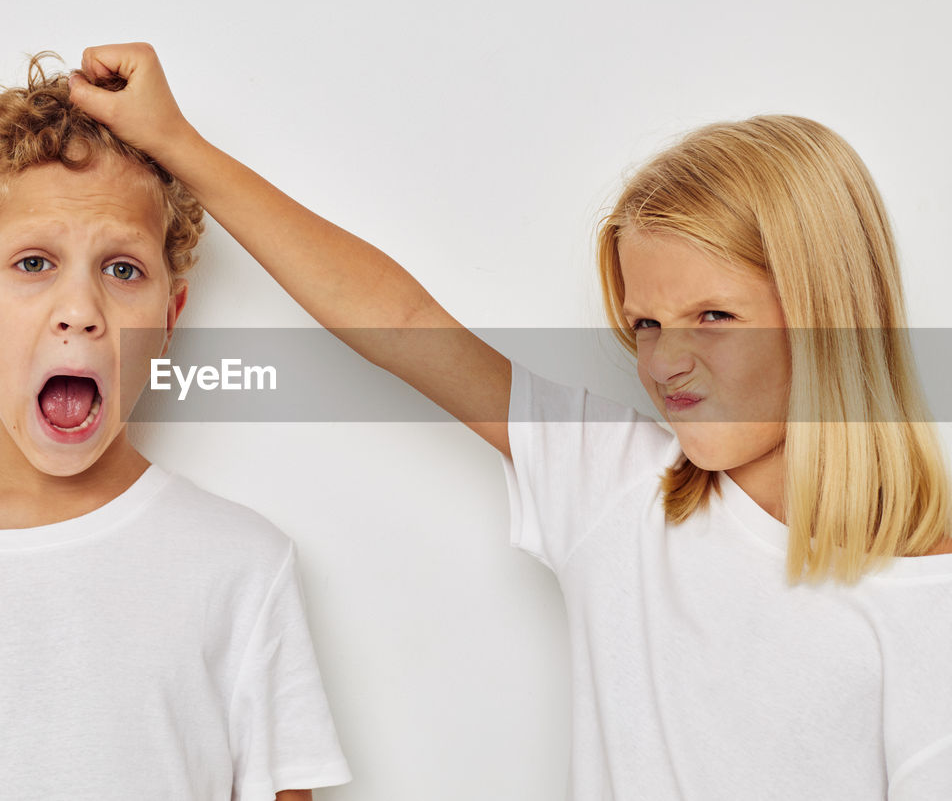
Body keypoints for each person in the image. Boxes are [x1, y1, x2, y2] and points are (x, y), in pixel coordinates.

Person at [67, 43, 952, 798]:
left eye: (713, 317)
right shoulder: (617, 487)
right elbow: (404, 324)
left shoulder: (927, 612)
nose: (666, 362)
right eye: (644, 324)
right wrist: (175, 144)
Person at [0, 54, 350, 801]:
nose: (80, 309)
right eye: (35, 261)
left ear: (168, 322)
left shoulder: (243, 568)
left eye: (122, 269)